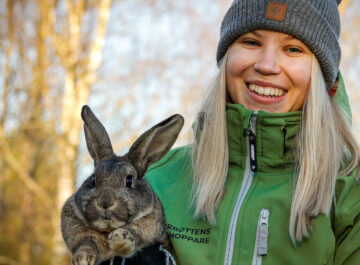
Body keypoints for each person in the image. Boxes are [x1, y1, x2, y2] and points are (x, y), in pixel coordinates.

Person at [145, 0, 360, 264]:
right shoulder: (156, 181)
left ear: (322, 76)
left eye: (293, 49)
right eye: (251, 42)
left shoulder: (351, 194)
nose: (267, 65)